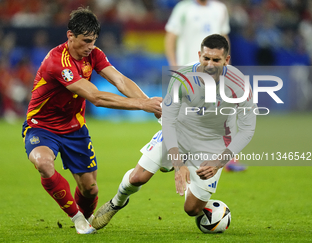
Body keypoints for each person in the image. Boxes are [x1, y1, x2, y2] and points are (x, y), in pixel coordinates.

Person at [91, 34, 256, 230]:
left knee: (192, 209)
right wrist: (179, 165)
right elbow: (167, 120)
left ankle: (193, 187)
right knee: (137, 178)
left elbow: (247, 130)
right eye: (206, 58)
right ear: (199, 55)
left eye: (216, 60)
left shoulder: (240, 85)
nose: (210, 64)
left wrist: (219, 162)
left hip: (213, 145)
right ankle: (116, 202)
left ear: (226, 60)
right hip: (179, 133)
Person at [21, 7, 162, 235]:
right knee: (43, 163)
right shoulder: (57, 62)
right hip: (42, 126)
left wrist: (150, 103)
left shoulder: (94, 54)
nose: (90, 46)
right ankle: (77, 218)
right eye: (86, 41)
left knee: (90, 189)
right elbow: (95, 96)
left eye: (93, 41)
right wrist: (141, 105)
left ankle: (86, 217)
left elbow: (121, 80)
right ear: (70, 35)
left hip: (75, 129)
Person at [164, 0, 230, 67]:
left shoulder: (220, 9)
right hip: (188, 67)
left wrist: (226, 64)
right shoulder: (182, 9)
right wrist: (173, 65)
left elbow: (224, 38)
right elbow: (170, 39)